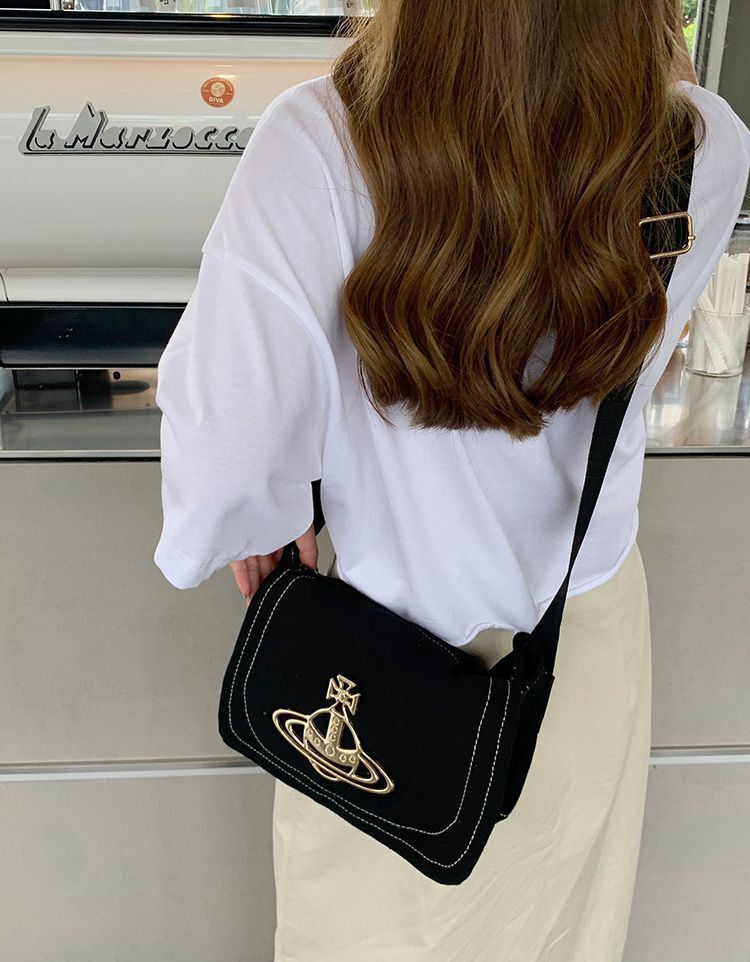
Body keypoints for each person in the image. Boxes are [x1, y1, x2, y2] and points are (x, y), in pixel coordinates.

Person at [153, 1, 750, 959]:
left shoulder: (322, 139)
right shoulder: (702, 148)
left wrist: (266, 520)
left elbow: (224, 466)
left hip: (381, 666)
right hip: (584, 645)